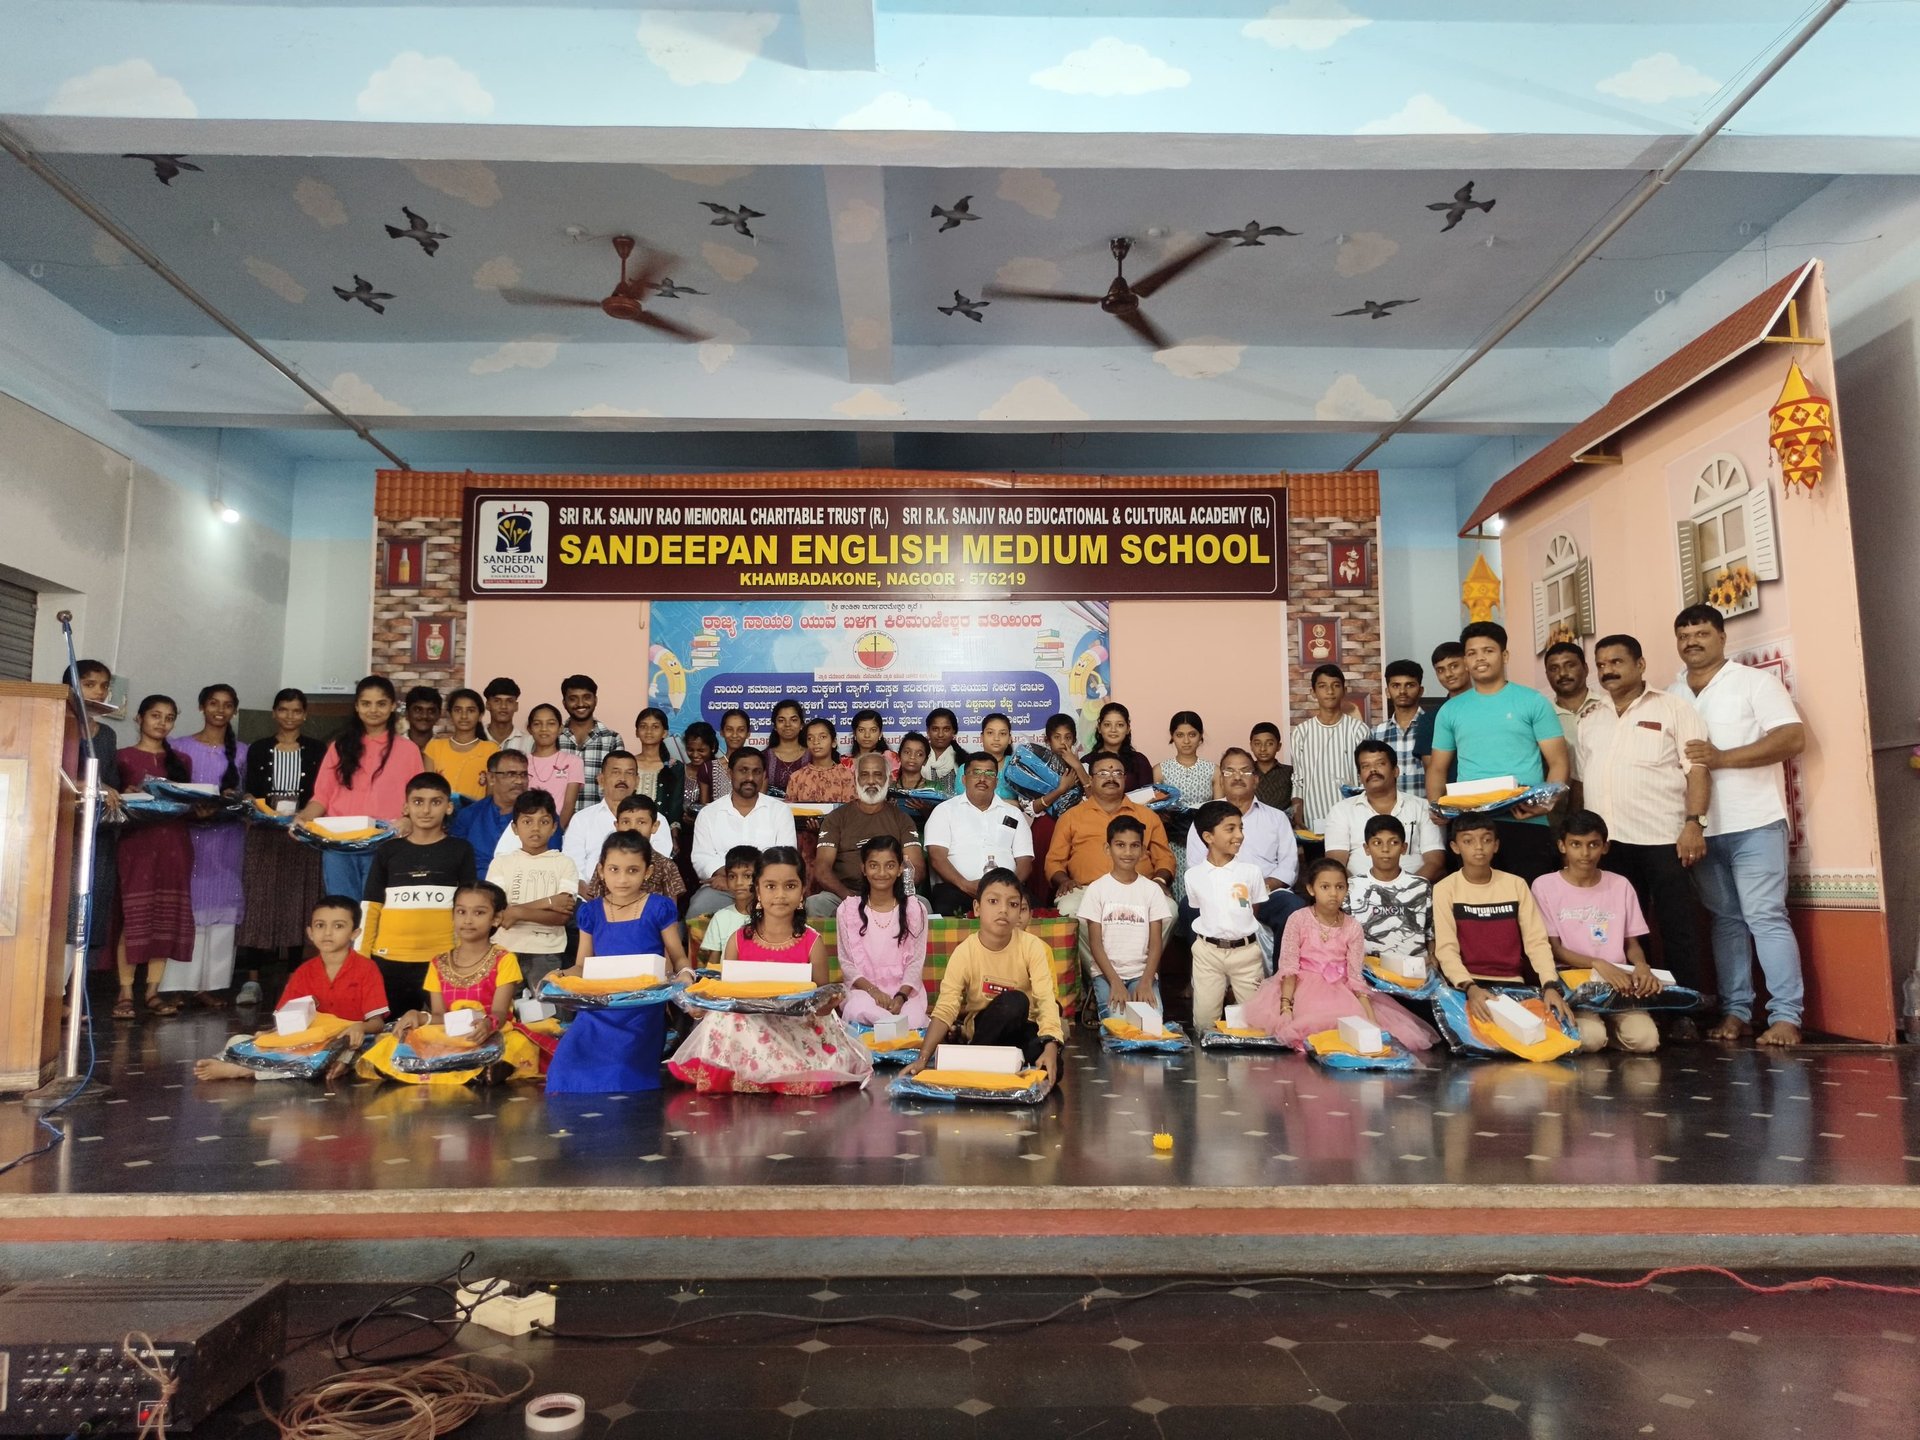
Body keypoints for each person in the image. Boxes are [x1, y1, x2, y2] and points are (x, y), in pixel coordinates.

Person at [1670, 603, 1809, 1046]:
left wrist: (1722, 758)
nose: (1692, 641)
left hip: (1756, 822)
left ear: (1722, 637)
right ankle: (1736, 1012)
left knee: (1765, 916)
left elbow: (1792, 738)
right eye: (1685, 635)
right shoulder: (1671, 694)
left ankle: (1786, 1017)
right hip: (1700, 829)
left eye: (1702, 633)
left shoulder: (1753, 682)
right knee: (1725, 921)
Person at [669, 846, 870, 1094]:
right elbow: (727, 993)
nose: (780, 895)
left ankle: (772, 1070)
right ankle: (754, 1071)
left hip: (796, 1026)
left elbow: (821, 999)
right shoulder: (738, 939)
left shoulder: (812, 942)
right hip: (750, 1024)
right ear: (758, 891)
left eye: (790, 886)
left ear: (802, 891)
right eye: (771, 886)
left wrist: (828, 1005)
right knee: (725, 1019)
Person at [1577, 633, 1711, 996]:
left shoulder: (1673, 709)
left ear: (1640, 665)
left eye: (1616, 662)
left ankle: (1686, 1009)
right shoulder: (1590, 717)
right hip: (1610, 846)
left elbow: (1697, 769)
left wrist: (1693, 824)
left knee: (1677, 927)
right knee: (1624, 932)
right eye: (1601, 665)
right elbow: (1584, 777)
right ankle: (1637, 1005)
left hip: (1664, 839)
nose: (1608, 671)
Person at [1424, 622, 1569, 883]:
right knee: (1476, 907)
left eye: (1488, 651)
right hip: (1471, 825)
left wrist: (1547, 802)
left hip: (1525, 821)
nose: (1479, 658)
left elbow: (1558, 761)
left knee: (1529, 903)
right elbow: (1437, 767)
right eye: (1471, 653)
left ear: (1504, 656)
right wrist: (1436, 805)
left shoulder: (1533, 701)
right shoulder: (1451, 710)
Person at [1247, 858, 1438, 1051]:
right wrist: (1286, 1007)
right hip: (1301, 987)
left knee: (1357, 1029)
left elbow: (1355, 975)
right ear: (1311, 889)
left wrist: (1370, 1016)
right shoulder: (1298, 919)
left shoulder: (1353, 926)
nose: (1333, 893)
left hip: (1340, 988)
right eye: (1325, 887)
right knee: (1308, 1028)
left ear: (1347, 890)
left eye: (1339, 887)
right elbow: (1289, 967)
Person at [192, 896, 389, 1082]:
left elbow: (377, 1022)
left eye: (338, 926)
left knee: (369, 1048)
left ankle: (244, 1070)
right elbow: (287, 1022)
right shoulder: (304, 972)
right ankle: (266, 1064)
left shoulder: (366, 969)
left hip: (348, 1043)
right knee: (239, 1040)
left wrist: (359, 1026)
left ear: (355, 933)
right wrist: (269, 1034)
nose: (327, 933)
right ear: (310, 932)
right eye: (320, 925)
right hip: (305, 1043)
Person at [903, 868, 1062, 1094]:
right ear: (977, 908)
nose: (1003, 910)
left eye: (1013, 904)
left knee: (1055, 1069)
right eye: (993, 901)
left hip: (1022, 1030)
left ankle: (992, 1063)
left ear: (1020, 912)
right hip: (983, 1029)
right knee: (1015, 1002)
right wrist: (923, 1059)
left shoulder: (1032, 947)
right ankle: (981, 1058)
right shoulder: (965, 951)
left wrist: (1051, 1047)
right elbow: (946, 1007)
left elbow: (1046, 1001)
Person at [359, 882, 528, 1086]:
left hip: (489, 1032)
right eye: (461, 911)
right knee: (407, 1037)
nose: (468, 920)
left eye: (479, 913)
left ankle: (474, 1065)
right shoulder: (438, 963)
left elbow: (501, 1013)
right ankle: (469, 1067)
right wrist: (420, 1016)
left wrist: (487, 1024)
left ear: (496, 919)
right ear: (453, 915)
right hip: (449, 1033)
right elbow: (440, 1016)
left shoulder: (504, 959)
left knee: (513, 1043)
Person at [1431, 814, 1577, 1035]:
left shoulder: (1516, 885)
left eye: (1486, 840)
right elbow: (1446, 950)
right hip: (1467, 987)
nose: (1478, 847)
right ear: (1455, 846)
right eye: (1468, 841)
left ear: (1496, 845)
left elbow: (1536, 942)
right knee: (1480, 1040)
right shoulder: (1444, 889)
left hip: (1514, 985)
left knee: (1548, 1036)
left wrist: (1549, 985)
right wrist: (1469, 987)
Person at [1531, 810, 1661, 1054]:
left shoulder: (1620, 884)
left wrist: (1642, 966)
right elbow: (1555, 949)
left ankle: (1611, 1030)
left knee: (1646, 1040)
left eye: (1593, 844)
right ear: (1562, 846)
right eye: (1576, 845)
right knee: (1590, 1038)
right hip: (1574, 983)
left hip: (1619, 984)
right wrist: (1598, 963)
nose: (1585, 853)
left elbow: (1631, 943)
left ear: (1605, 847)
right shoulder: (1544, 885)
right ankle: (1600, 1031)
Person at [297, 675, 426, 900]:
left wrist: (408, 822)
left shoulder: (409, 750)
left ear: (393, 706)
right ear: (356, 707)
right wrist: (302, 819)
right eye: (366, 704)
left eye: (381, 703)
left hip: (386, 843)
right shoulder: (338, 747)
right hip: (339, 844)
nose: (373, 710)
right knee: (342, 911)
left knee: (377, 912)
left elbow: (418, 798)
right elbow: (322, 797)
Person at [237, 687, 327, 1005]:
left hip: (302, 836)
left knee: (297, 905)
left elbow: (323, 793)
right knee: (259, 905)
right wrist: (249, 800)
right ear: (274, 713)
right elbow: (249, 789)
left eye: (296, 710)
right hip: (263, 834)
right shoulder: (259, 748)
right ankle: (252, 981)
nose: (290, 716)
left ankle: (294, 980)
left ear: (305, 715)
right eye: (283, 709)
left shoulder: (318, 750)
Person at [358, 772, 476, 1017]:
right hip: (388, 960)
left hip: (443, 959)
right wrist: (361, 959)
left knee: (447, 1030)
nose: (426, 810)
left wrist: (465, 953)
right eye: (418, 801)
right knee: (389, 1034)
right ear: (406, 807)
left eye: (436, 801)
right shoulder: (388, 851)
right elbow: (371, 907)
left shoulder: (460, 850)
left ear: (449, 807)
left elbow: (469, 907)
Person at [163, 683, 247, 1008]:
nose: (220, 710)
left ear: (235, 710)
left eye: (227, 705)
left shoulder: (242, 751)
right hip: (189, 836)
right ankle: (179, 985)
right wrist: (192, 809)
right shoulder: (178, 747)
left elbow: (248, 795)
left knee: (224, 905)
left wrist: (230, 804)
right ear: (202, 707)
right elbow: (168, 791)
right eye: (213, 703)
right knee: (190, 905)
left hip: (228, 838)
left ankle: (210, 985)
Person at [115, 695, 195, 1019]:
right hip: (136, 844)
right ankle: (123, 993)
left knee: (165, 917)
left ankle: (152, 992)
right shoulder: (122, 757)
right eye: (155, 715)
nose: (162, 723)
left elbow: (189, 802)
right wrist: (127, 795)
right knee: (134, 917)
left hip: (174, 844)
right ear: (139, 719)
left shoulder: (183, 761)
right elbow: (111, 802)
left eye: (169, 717)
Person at [1184, 747, 1303, 949]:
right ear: (1221, 779)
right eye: (1229, 771)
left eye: (1245, 771)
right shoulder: (1204, 818)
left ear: (1256, 779)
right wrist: (1226, 888)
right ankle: (1203, 972)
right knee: (1187, 908)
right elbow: (1195, 867)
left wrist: (1257, 888)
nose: (1237, 777)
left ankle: (1279, 975)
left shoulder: (1276, 818)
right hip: (1216, 893)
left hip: (1267, 893)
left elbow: (1288, 866)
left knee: (1293, 908)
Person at [1045, 755, 1175, 916]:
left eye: (1117, 773)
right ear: (1091, 780)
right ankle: (1092, 943)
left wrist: (1159, 881)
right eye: (1103, 773)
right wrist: (1064, 881)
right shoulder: (1071, 817)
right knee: (1067, 909)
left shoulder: (1147, 816)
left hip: (1138, 888)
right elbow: (1054, 861)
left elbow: (1164, 858)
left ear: (1125, 779)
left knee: (1169, 910)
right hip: (1085, 889)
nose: (1111, 778)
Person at [1184, 799, 1267, 1033]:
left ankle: (1249, 1067)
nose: (1239, 835)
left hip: (1246, 953)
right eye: (1230, 829)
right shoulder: (1193, 876)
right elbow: (1200, 907)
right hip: (1207, 953)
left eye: (1241, 828)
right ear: (1208, 837)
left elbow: (1253, 909)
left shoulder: (1251, 872)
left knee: (1254, 1022)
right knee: (1204, 1022)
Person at [1079, 815, 1174, 1019]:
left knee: (1151, 1024)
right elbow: (1095, 944)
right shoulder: (1097, 889)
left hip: (1142, 973)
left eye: (1134, 846)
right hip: (1107, 974)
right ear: (1108, 848)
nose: (1128, 852)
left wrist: (1147, 981)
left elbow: (1156, 942)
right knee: (1119, 1025)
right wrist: (1115, 982)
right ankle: (1100, 999)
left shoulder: (1151, 890)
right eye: (1120, 845)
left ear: (1143, 851)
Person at [64, 660, 124, 982]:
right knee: (64, 913)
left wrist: (115, 790)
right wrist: (85, 783)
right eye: (89, 684)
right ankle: (52, 995)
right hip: (64, 836)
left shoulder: (108, 734)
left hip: (98, 837)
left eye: (103, 685)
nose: (98, 691)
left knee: (91, 915)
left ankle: (76, 992)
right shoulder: (59, 724)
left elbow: (110, 780)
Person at [810, 752, 925, 917]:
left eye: (878, 775)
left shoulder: (902, 819)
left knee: (922, 905)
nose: (871, 781)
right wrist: (851, 899)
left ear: (888, 779)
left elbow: (917, 868)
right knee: (816, 904)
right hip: (844, 895)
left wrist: (889, 896)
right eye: (864, 775)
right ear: (856, 779)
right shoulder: (836, 818)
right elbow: (822, 869)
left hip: (892, 895)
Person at [487, 790, 578, 995]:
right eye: (527, 822)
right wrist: (548, 901)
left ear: (554, 826)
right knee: (506, 1014)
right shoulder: (501, 863)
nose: (535, 828)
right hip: (505, 950)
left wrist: (517, 912)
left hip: (547, 952)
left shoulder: (564, 863)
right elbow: (498, 913)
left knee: (551, 1016)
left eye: (544, 821)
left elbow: (561, 916)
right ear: (515, 827)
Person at [688, 748, 798, 918]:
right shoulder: (709, 813)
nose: (750, 778)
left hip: (768, 889)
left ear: (763, 775)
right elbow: (702, 857)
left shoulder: (780, 811)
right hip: (722, 887)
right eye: (743, 771)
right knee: (698, 909)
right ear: (730, 773)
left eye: (756, 772)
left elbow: (785, 857)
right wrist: (733, 880)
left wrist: (743, 880)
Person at [835, 835, 930, 1029]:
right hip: (864, 991)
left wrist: (901, 997)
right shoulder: (847, 910)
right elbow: (847, 964)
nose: (881, 872)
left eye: (889, 865)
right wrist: (874, 992)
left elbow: (916, 962)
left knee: (915, 1019)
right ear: (863, 868)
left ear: (900, 869)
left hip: (905, 992)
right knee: (858, 1009)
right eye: (873, 865)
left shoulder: (915, 908)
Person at [924, 753, 1034, 916]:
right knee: (946, 905)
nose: (982, 778)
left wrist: (1010, 888)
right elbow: (937, 858)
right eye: (976, 773)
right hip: (957, 889)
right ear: (964, 779)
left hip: (1007, 892)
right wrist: (965, 885)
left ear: (996, 781)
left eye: (989, 774)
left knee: (1037, 910)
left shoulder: (1014, 814)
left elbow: (1025, 861)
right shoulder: (944, 811)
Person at [1321, 739, 1444, 881]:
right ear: (1360, 776)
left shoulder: (1422, 807)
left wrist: (1406, 890)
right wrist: (1365, 891)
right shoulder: (1341, 811)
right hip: (1359, 896)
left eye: (1380, 764)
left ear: (1395, 771)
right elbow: (1336, 865)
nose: (1373, 770)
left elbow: (1435, 863)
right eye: (1365, 766)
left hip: (1413, 894)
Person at [570, 832, 687, 970]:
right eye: (614, 869)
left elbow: (679, 958)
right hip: (603, 990)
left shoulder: (659, 908)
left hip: (650, 990)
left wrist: (686, 973)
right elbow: (581, 966)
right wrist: (560, 975)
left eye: (633, 870)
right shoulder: (591, 912)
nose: (622, 879)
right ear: (601, 871)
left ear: (647, 872)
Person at [1289, 665, 1371, 833]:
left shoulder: (1359, 730)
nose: (1330, 691)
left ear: (1344, 690)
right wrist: (1297, 814)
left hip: (1353, 818)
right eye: (1322, 686)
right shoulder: (1301, 732)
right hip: (1314, 820)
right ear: (1313, 692)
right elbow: (1298, 780)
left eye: (1335, 685)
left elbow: (1365, 778)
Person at [1346, 816, 1433, 965]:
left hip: (1415, 970)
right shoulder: (1352, 887)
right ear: (1367, 849)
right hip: (1366, 971)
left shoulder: (1421, 886)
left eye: (1393, 842)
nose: (1385, 849)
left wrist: (1432, 960)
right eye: (1377, 843)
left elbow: (1430, 935)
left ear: (1403, 848)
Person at [562, 751, 652, 884]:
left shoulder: (653, 819)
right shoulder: (581, 819)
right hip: (589, 897)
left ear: (637, 781)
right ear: (601, 780)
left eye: (629, 773)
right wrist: (592, 897)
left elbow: (656, 863)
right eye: (616, 772)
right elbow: (571, 866)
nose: (622, 778)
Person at [557, 674, 625, 814]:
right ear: (564, 703)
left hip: (598, 824)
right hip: (557, 823)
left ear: (595, 700)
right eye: (573, 698)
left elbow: (618, 786)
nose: (580, 704)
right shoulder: (554, 738)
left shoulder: (612, 739)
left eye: (586, 697)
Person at [450, 749, 534, 861]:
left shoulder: (541, 817)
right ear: (491, 778)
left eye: (523, 775)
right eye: (511, 774)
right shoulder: (469, 815)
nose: (519, 781)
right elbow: (454, 860)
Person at [1412, 640, 1470, 790]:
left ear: (1467, 664)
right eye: (1440, 670)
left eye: (1454, 666)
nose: (1448, 674)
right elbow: (1433, 771)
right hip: (1453, 803)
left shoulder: (1490, 706)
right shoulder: (1430, 719)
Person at [423, 688, 498, 801]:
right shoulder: (434, 747)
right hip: (441, 815)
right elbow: (427, 790)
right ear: (450, 714)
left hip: (476, 815)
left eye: (471, 710)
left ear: (480, 715)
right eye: (458, 710)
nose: (464, 716)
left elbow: (491, 795)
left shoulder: (491, 749)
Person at [1372, 659, 1430, 799]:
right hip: (1389, 814)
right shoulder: (1377, 733)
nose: (1402, 691)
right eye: (1396, 685)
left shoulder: (1433, 726)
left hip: (1428, 813)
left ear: (1421, 690)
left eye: (1410, 685)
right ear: (1387, 691)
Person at [614, 795, 687, 903]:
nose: (633, 828)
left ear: (654, 826)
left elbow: (671, 911)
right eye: (626, 822)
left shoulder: (666, 866)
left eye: (641, 822)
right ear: (617, 826)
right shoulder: (607, 863)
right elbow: (596, 905)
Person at [524, 703, 584, 820]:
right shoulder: (521, 763)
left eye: (551, 723)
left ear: (560, 728)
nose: (544, 729)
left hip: (558, 831)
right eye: (537, 724)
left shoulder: (573, 762)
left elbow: (568, 805)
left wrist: (556, 832)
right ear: (529, 729)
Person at [1544, 642, 1606, 756]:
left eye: (1570, 665)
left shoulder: (1606, 707)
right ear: (1547, 675)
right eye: (1554, 668)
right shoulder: (1543, 718)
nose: (1562, 673)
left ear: (1585, 669)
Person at [700, 846, 760, 961]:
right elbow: (713, 963)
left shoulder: (769, 917)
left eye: (747, 876)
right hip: (726, 978)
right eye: (732, 876)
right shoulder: (720, 918)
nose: (738, 882)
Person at [1083, 701, 1154, 792]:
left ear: (1128, 729)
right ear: (1099, 728)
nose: (1113, 730)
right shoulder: (1087, 761)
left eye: (1120, 725)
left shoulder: (1139, 761)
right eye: (1107, 725)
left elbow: (1149, 797)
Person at [629, 707, 684, 822]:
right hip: (628, 830)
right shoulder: (628, 763)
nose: (649, 731)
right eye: (643, 726)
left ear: (664, 733)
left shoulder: (674, 766)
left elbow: (675, 805)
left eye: (655, 727)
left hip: (661, 831)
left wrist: (674, 835)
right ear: (636, 732)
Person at [786, 718, 857, 804]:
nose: (816, 742)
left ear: (834, 742)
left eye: (822, 737)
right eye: (810, 738)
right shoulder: (796, 778)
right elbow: (790, 812)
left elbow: (850, 811)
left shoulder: (847, 776)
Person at [1157, 711, 1217, 809]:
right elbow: (1155, 808)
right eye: (1180, 735)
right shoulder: (1160, 770)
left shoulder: (1214, 771)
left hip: (1205, 823)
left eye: (1192, 735)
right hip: (1169, 824)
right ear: (1172, 735)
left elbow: (1218, 811)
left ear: (1200, 735)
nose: (1186, 741)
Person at [762, 698, 809, 793]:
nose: (787, 724)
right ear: (775, 726)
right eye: (781, 720)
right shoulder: (763, 757)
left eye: (793, 720)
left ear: (801, 725)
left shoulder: (813, 756)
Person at [1248, 722, 1294, 813]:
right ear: (1251, 746)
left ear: (1278, 746)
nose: (1263, 749)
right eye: (1257, 744)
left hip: (1282, 822)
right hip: (1251, 822)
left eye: (1269, 744)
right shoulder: (1246, 772)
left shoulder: (1290, 772)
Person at [481, 677, 533, 753]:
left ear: (516, 706)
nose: (503, 706)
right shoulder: (476, 738)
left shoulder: (529, 742)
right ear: (488, 705)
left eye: (509, 701)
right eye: (497, 701)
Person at [845, 708, 898, 776]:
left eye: (873, 730)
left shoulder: (890, 759)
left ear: (880, 733)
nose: (867, 735)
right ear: (854, 733)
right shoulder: (844, 762)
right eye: (861, 730)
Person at [923, 707, 963, 794]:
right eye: (935, 729)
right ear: (928, 731)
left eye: (946, 729)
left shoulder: (963, 761)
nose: (940, 734)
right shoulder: (918, 758)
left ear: (954, 731)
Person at [403, 686, 442, 753]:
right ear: (407, 713)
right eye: (418, 710)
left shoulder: (444, 747)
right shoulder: (394, 746)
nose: (424, 716)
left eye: (431, 711)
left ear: (438, 715)